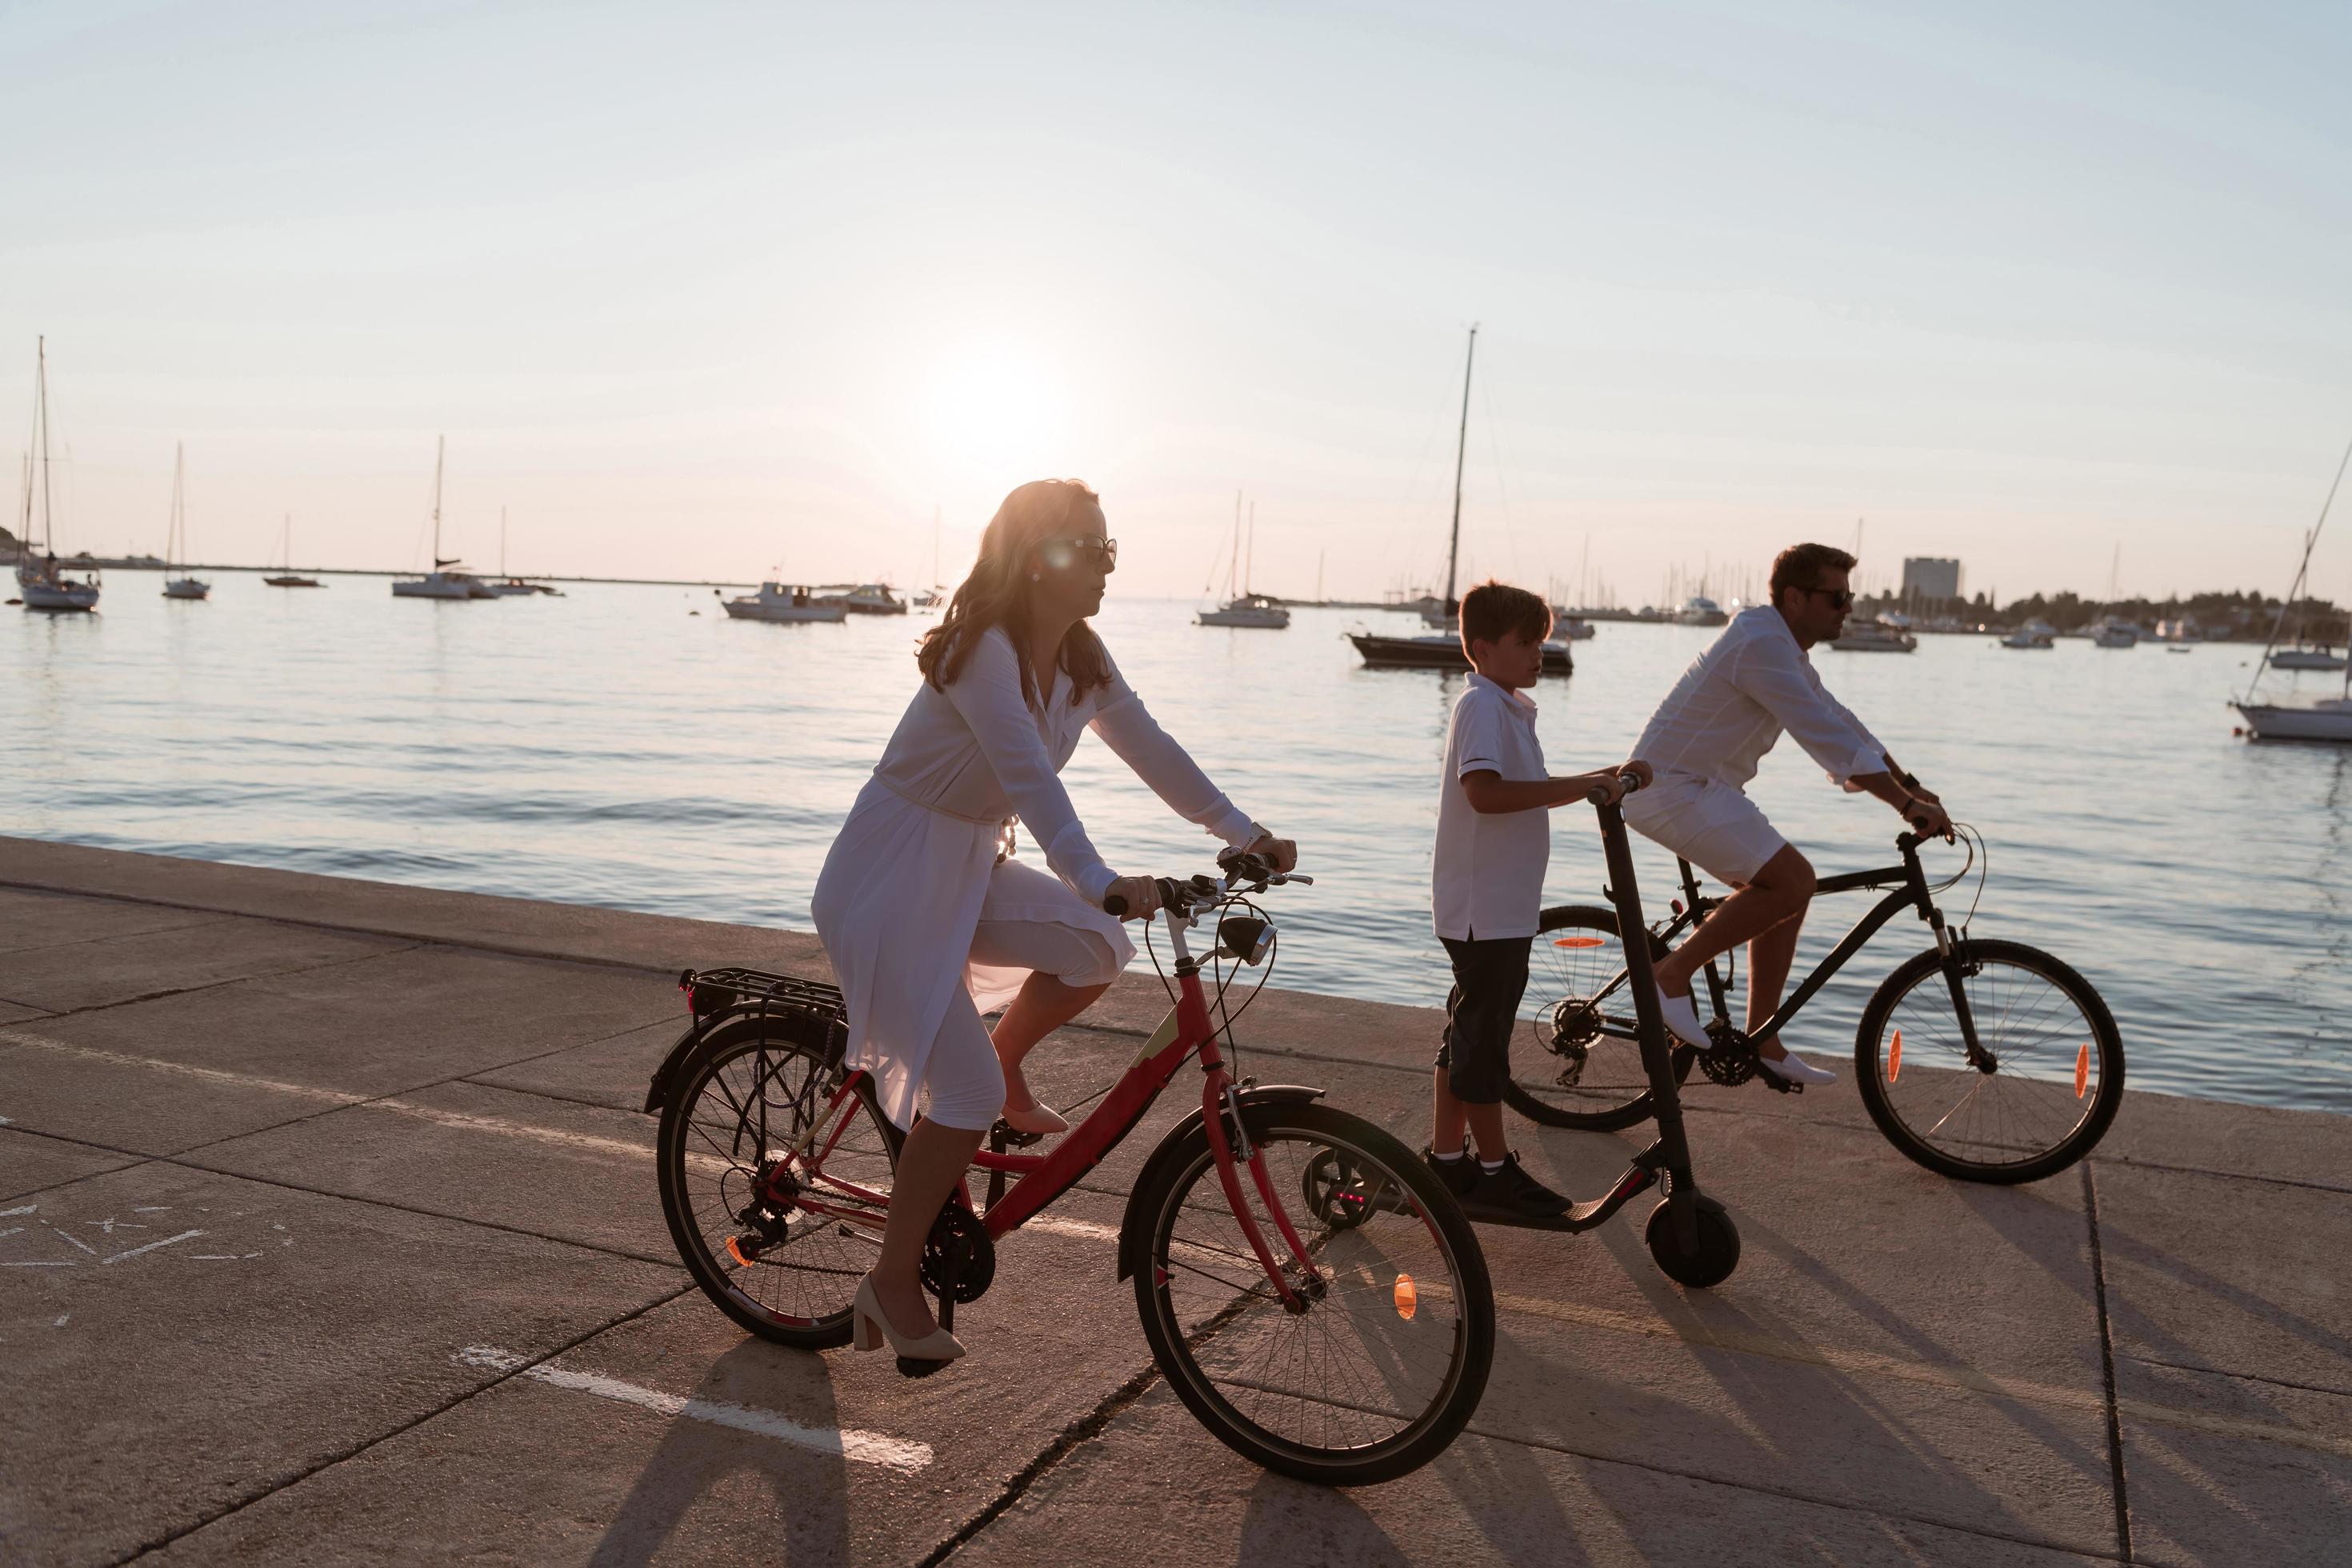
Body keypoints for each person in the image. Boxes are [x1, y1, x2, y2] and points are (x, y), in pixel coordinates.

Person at [810, 478, 1294, 1371]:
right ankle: (890, 1278)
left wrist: (1245, 833)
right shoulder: (979, 651)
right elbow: (1030, 778)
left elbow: (1151, 747)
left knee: (1095, 946)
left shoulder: (1081, 656)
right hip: (888, 874)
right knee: (962, 1101)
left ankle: (999, 1063)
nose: (1109, 565)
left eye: (1113, 550)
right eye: (1092, 549)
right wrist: (1098, 875)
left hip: (966, 866)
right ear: (1040, 558)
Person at [1623, 543, 1954, 1082]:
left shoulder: (1783, 646)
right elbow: (1820, 734)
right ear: (1795, 598)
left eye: (1851, 597)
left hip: (1704, 787)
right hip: (1670, 789)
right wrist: (1903, 803)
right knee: (1792, 880)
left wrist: (1911, 785)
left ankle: (1763, 1040)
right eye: (1837, 597)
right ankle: (1671, 974)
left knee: (1789, 892)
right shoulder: (1760, 645)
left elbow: (1842, 720)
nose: (1847, 608)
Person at [1427, 581, 1651, 1220]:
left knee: (1465, 1035)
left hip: (1498, 906)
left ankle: (1448, 1162)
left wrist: (1603, 776)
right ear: (1481, 648)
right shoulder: (1482, 709)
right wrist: (1582, 786)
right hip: (1484, 910)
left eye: (1542, 643)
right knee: (1483, 1043)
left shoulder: (1505, 707)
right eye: (1526, 643)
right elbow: (1485, 794)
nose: (1539, 654)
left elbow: (1518, 787)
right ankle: (1494, 1170)